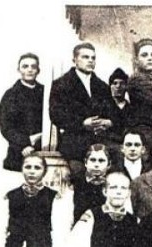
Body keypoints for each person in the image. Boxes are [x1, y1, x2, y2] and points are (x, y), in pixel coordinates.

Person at [49, 42, 116, 175]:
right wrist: (82, 123)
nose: (90, 61)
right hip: (75, 143)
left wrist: (108, 122)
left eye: (93, 58)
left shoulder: (102, 86)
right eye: (85, 57)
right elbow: (56, 114)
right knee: (80, 176)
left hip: (101, 141)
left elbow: (113, 113)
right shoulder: (61, 84)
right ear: (75, 60)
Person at [0, 53, 44, 172]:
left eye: (33, 66)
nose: (29, 70)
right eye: (25, 66)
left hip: (44, 151)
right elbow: (7, 129)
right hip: (18, 153)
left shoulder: (46, 92)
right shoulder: (11, 95)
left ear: (38, 70)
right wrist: (25, 144)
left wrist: (36, 143)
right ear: (19, 69)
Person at [71, 144, 111, 223]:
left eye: (101, 161)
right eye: (93, 160)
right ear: (86, 162)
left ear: (109, 164)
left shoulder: (112, 184)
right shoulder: (75, 183)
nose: (96, 165)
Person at [106, 67, 132, 156]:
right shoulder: (103, 107)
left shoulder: (132, 108)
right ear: (110, 86)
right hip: (109, 145)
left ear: (126, 87)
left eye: (122, 83)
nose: (118, 86)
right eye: (115, 83)